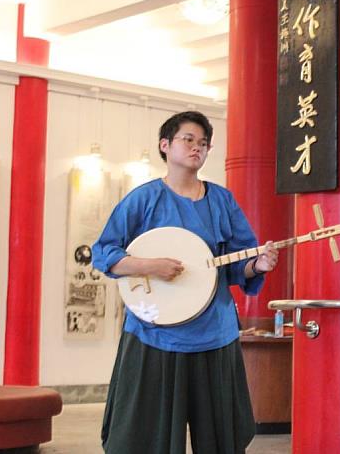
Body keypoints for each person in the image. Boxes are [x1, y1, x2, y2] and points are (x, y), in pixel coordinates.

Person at [93, 110, 279, 454]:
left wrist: (258, 265)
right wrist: (150, 265)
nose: (197, 148)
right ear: (165, 145)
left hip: (214, 333)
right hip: (154, 332)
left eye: (204, 143)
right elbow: (104, 253)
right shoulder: (144, 199)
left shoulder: (222, 201)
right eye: (188, 140)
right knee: (143, 440)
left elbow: (238, 265)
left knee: (220, 439)